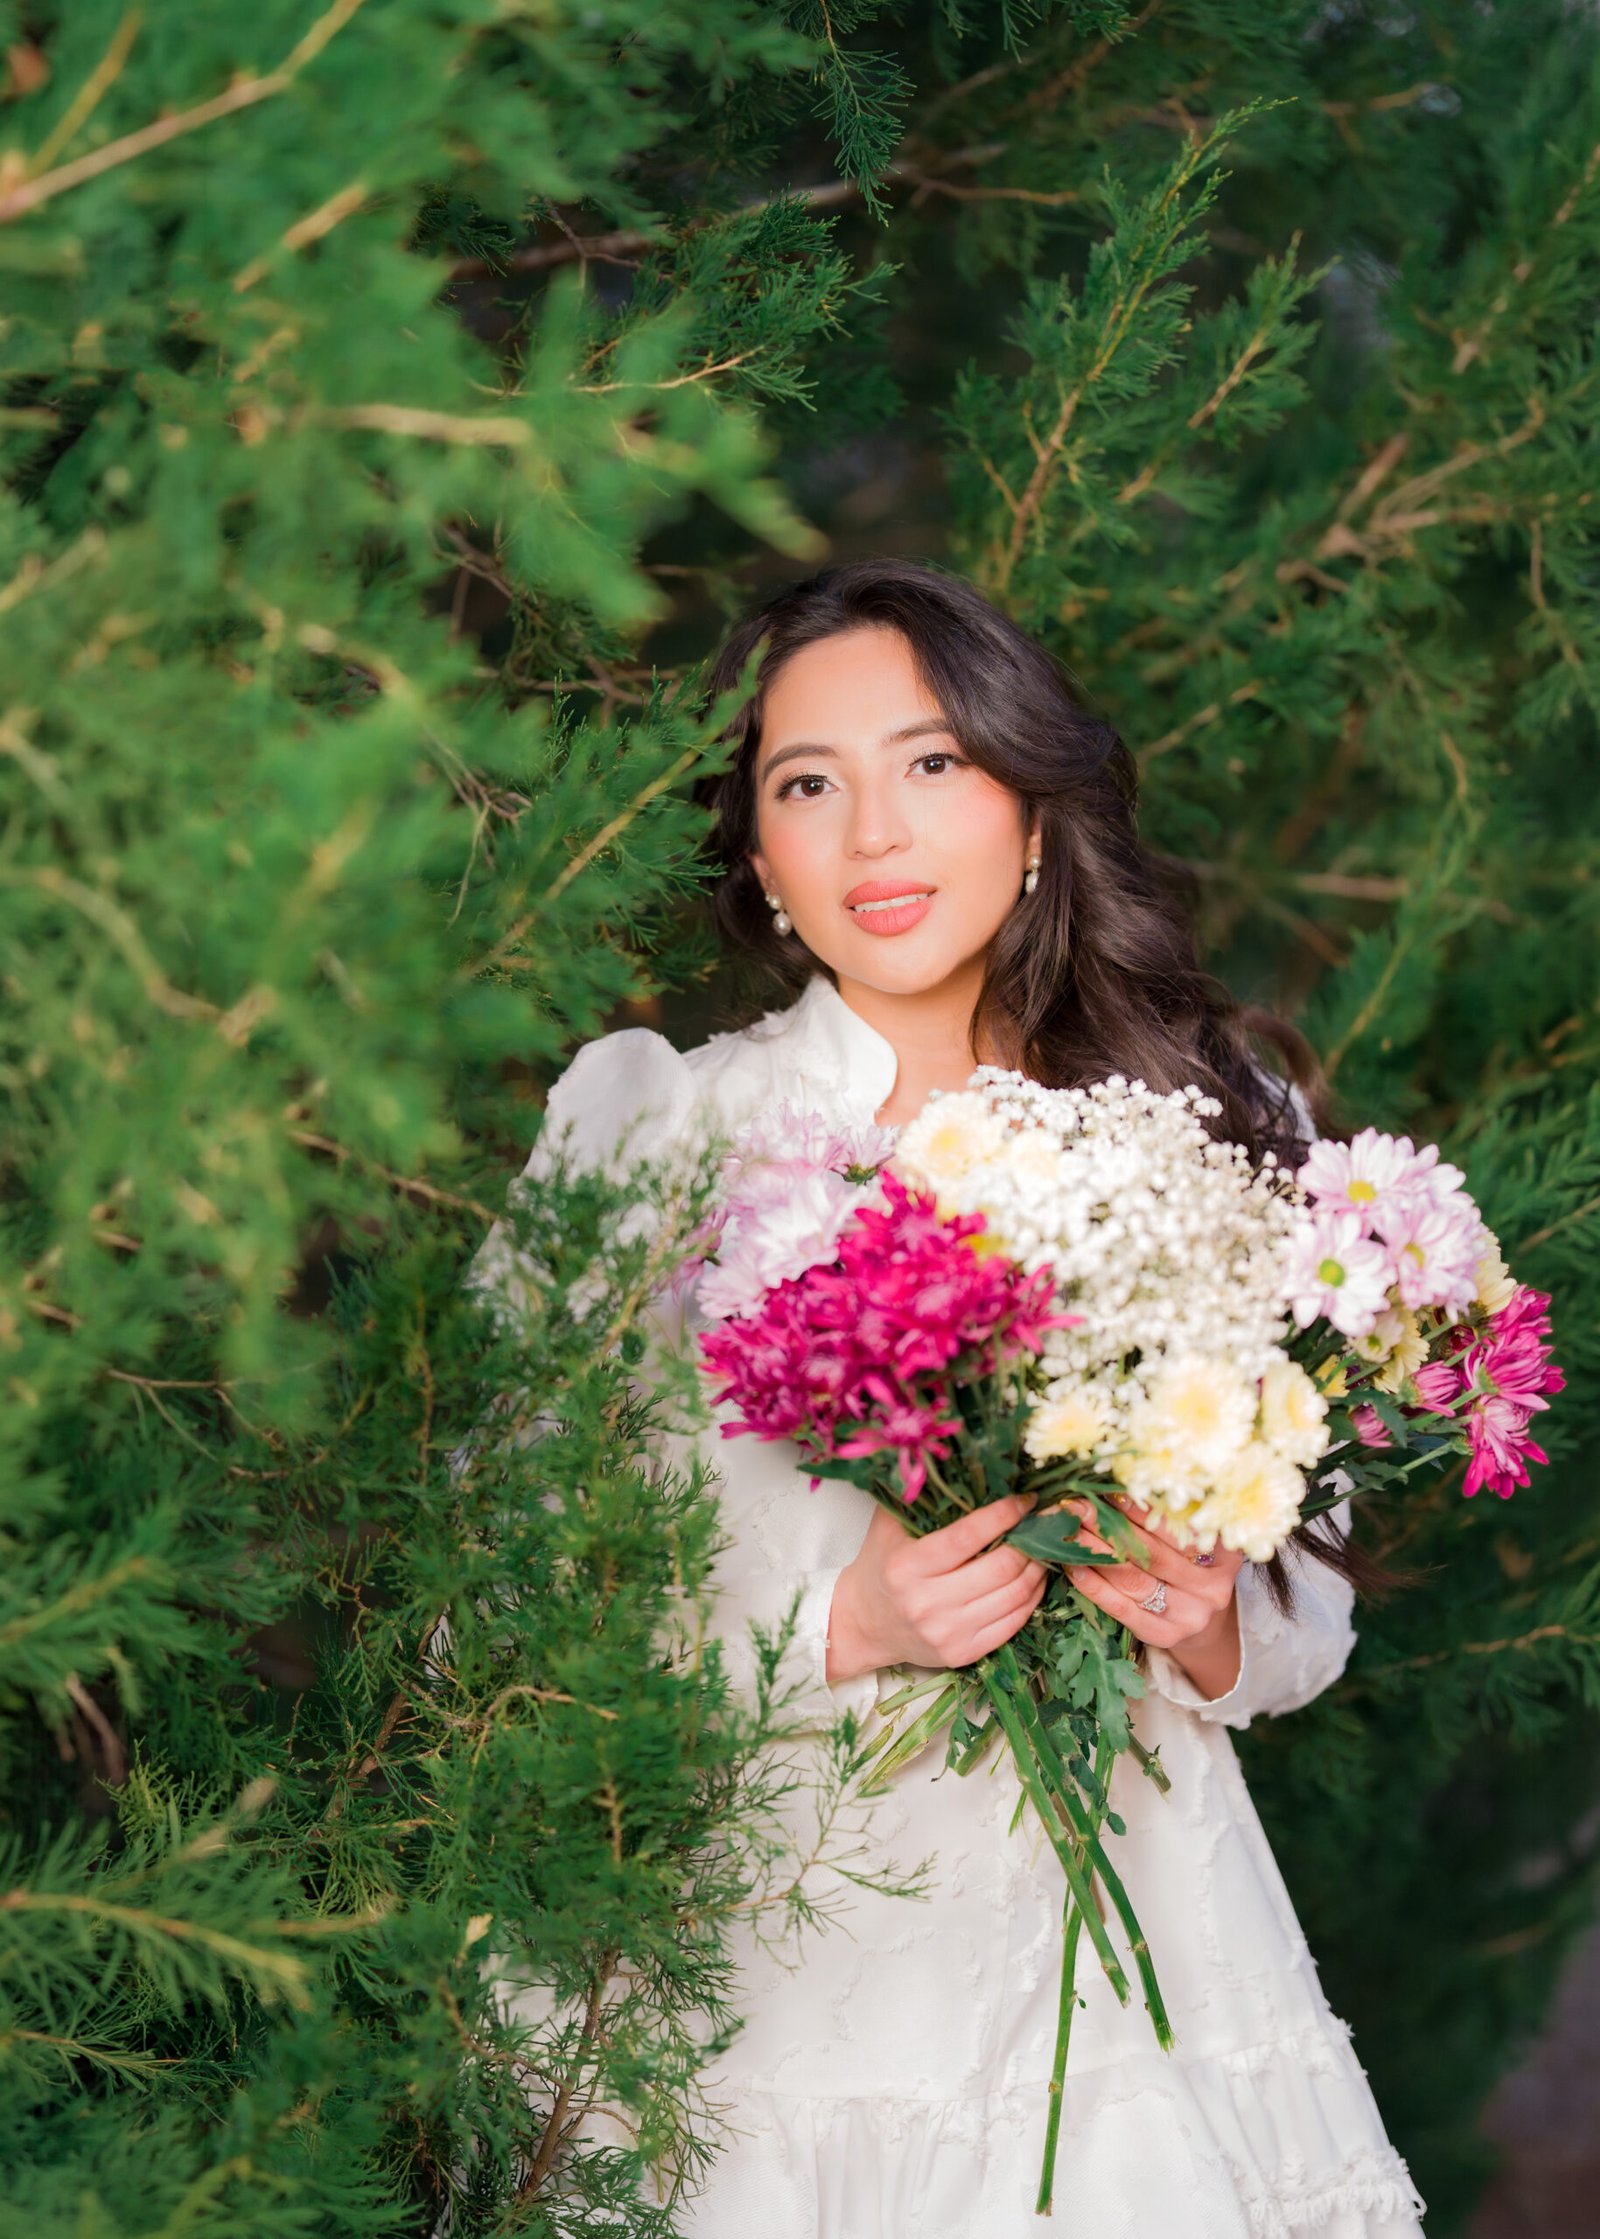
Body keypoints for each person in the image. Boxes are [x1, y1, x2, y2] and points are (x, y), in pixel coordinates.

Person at [488, 560, 1428, 2237]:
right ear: (758, 853)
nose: (875, 834)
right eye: (807, 784)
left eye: (931, 762)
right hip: (760, 2000)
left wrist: (1210, 1620)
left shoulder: (1204, 1119)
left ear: (1034, 808)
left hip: (1130, 1990)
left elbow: (1310, 1618)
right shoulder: (654, 1139)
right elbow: (485, 1616)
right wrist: (835, 1622)